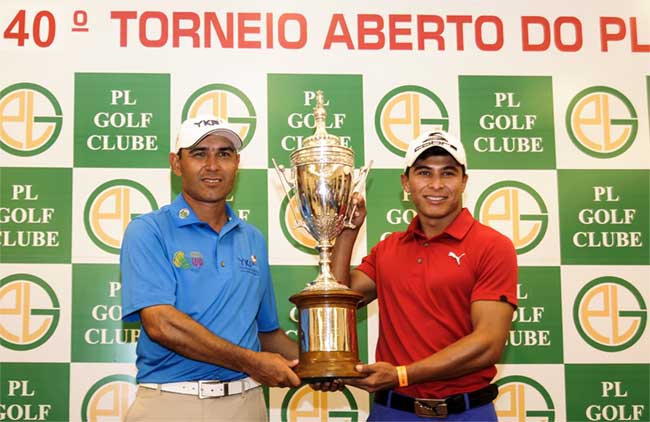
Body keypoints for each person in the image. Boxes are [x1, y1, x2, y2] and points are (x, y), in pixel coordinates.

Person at [120, 115, 301, 422]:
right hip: (173, 403)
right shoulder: (149, 230)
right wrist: (252, 362)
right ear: (177, 164)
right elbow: (161, 324)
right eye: (199, 153)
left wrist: (318, 365)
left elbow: (266, 333)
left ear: (237, 163)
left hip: (247, 404)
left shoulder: (252, 239)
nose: (213, 165)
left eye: (224, 153)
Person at [329, 131, 518, 421]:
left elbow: (488, 344)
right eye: (424, 172)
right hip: (391, 411)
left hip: (465, 412)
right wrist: (347, 232)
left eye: (449, 173)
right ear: (406, 182)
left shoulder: (492, 245)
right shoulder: (388, 249)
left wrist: (401, 375)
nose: (436, 185)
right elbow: (337, 305)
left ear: (464, 181)